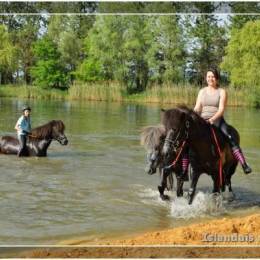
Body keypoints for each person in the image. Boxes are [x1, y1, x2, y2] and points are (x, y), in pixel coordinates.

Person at [181, 68, 252, 178]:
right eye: (209, 76)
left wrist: (212, 120)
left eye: (213, 76)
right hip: (202, 121)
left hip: (217, 120)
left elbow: (221, 109)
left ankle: (244, 164)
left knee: (230, 137)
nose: (211, 78)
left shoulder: (222, 92)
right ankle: (184, 172)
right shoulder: (201, 91)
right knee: (186, 140)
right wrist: (191, 117)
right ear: (206, 78)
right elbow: (198, 107)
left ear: (217, 78)